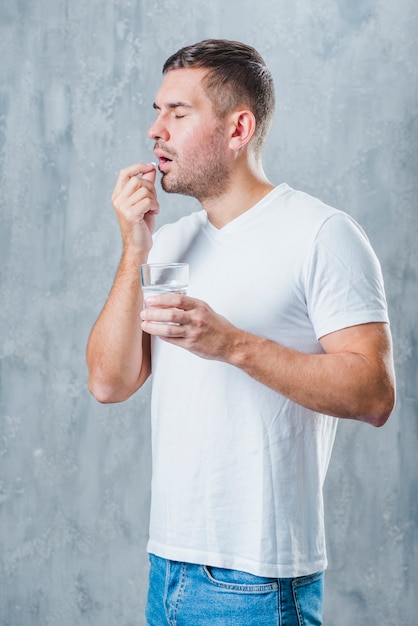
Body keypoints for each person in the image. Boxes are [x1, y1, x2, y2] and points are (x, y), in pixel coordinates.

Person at [86, 39, 396, 625]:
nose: (156, 130)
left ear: (238, 128)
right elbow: (107, 382)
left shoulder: (322, 233)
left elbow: (374, 395)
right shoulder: (168, 244)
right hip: (168, 566)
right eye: (157, 112)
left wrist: (231, 344)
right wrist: (134, 250)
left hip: (259, 579)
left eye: (178, 114)